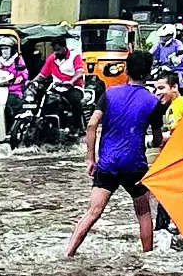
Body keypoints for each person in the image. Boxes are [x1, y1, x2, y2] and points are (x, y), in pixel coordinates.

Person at [63, 47, 164, 258]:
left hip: (107, 163)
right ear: (148, 73)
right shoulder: (153, 102)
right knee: (144, 212)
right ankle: (148, 258)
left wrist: (90, 159)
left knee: (92, 212)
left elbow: (91, 126)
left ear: (126, 70)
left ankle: (68, 252)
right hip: (134, 165)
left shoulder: (109, 93)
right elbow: (156, 139)